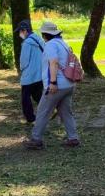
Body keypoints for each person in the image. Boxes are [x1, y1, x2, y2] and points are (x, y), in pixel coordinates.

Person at [23, 21, 79, 149]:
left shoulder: (50, 45)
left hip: (57, 85)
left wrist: (53, 82)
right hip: (69, 84)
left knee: (42, 112)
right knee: (66, 112)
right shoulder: (63, 43)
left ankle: (36, 139)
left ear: (44, 34)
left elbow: (53, 62)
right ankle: (73, 138)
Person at [16, 19, 44, 124]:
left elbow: (24, 61)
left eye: (20, 31)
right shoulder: (38, 38)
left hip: (29, 75)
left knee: (25, 98)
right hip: (39, 73)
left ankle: (31, 118)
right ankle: (51, 109)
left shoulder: (27, 43)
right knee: (37, 95)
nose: (19, 34)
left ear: (24, 30)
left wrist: (21, 69)